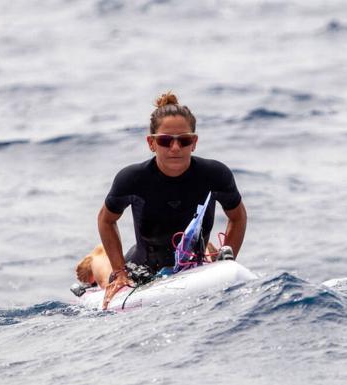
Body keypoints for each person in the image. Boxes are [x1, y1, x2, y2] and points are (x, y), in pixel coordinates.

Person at [76, 91, 247, 309]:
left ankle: (208, 250)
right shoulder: (133, 178)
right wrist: (120, 273)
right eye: (165, 141)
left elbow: (238, 215)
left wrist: (228, 258)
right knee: (106, 278)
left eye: (184, 140)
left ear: (194, 142)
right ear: (151, 143)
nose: (175, 148)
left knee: (203, 250)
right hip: (143, 265)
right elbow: (105, 219)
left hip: (191, 260)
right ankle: (99, 256)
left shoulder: (214, 174)